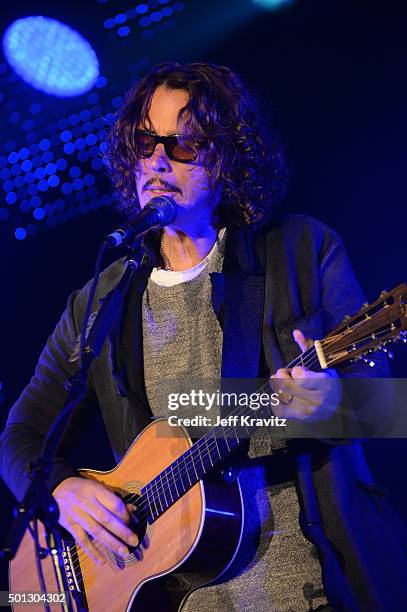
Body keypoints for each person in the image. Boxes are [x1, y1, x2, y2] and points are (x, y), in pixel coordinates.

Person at [1, 62, 406, 611]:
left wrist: (333, 404)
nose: (158, 161)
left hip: (315, 589)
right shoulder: (99, 302)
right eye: (146, 142)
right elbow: (22, 436)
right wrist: (63, 491)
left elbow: (385, 408)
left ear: (226, 158)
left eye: (184, 145)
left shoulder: (301, 251)